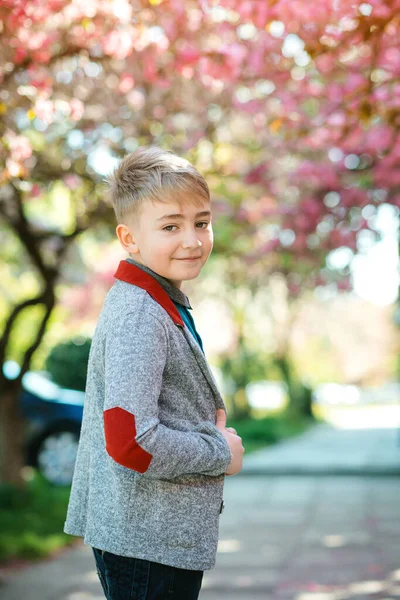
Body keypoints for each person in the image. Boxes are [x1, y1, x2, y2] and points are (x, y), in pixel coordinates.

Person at [64, 145, 245, 600]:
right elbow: (130, 440)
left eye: (201, 222)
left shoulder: (159, 299)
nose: (192, 239)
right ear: (129, 238)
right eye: (170, 226)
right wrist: (219, 452)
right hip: (146, 542)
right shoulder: (140, 314)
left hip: (150, 536)